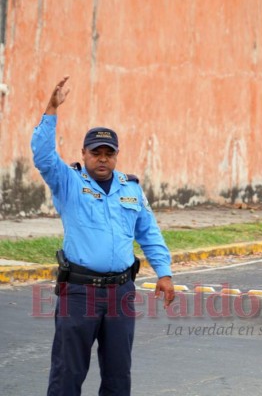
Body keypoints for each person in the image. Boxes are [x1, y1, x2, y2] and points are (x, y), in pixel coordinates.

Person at [32, 76, 175, 396]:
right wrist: (51, 109)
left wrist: (164, 272)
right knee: (67, 373)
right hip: (79, 293)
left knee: (117, 376)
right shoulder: (68, 182)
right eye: (95, 152)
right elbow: (42, 157)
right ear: (84, 153)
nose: (102, 158)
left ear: (116, 155)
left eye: (108, 152)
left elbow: (149, 231)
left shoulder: (131, 189)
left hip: (120, 295)